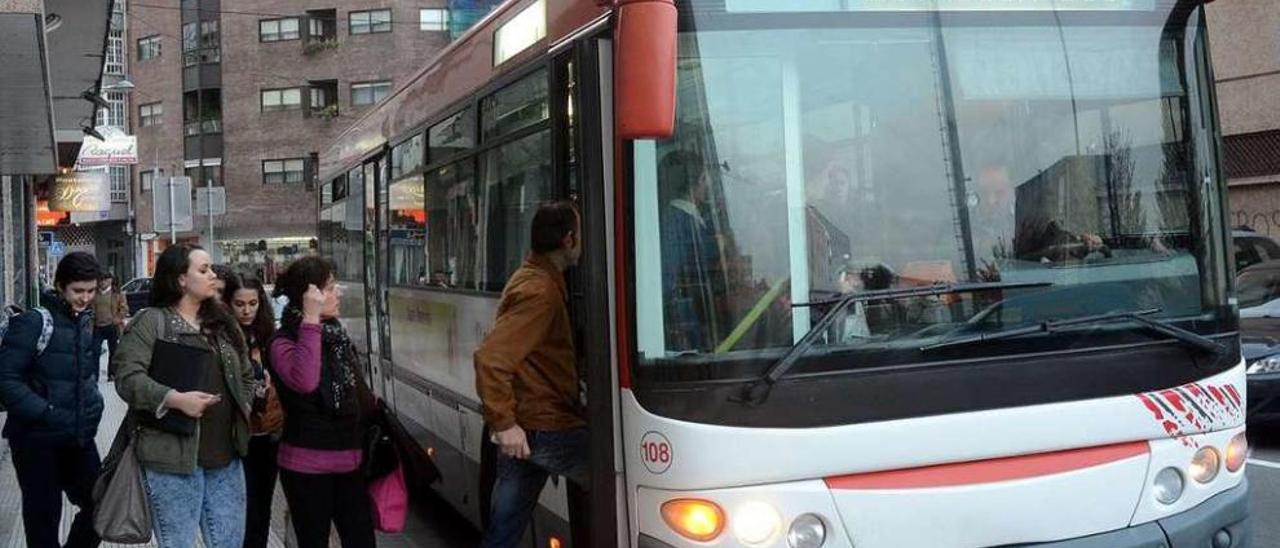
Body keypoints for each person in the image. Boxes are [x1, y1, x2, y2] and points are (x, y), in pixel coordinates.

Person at [112, 244, 256, 548]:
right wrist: (174, 399)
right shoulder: (152, 321)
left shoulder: (223, 322)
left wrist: (243, 405)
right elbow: (127, 378)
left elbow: (245, 372)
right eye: (203, 270)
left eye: (211, 268)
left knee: (229, 542)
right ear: (180, 279)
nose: (213, 275)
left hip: (225, 456)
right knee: (178, 543)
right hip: (171, 460)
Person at [475, 201, 588, 548]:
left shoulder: (532, 276)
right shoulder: (541, 291)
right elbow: (491, 358)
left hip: (530, 425)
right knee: (619, 466)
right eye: (581, 234)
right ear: (569, 240)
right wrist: (504, 423)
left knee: (505, 529)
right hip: (545, 427)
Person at [268, 256, 375, 548]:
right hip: (307, 467)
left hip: (350, 462)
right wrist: (311, 320)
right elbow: (305, 382)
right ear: (309, 295)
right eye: (329, 287)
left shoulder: (336, 335)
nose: (337, 292)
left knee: (362, 540)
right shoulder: (283, 341)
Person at [0, 252, 105, 548]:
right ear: (60, 286)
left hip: (78, 435)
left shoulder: (84, 321)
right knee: (44, 519)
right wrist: (46, 412)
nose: (85, 298)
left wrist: (95, 405)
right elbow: (6, 380)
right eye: (78, 291)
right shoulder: (34, 322)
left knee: (100, 504)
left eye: (90, 291)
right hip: (36, 440)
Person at [222, 273, 283, 548]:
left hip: (268, 433)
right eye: (239, 304)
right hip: (236, 436)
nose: (247, 310)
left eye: (253, 303)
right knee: (240, 510)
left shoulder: (270, 337)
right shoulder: (222, 339)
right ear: (228, 304)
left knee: (262, 508)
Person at [658, 150, 724, 352]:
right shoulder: (675, 222)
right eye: (705, 178)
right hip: (688, 322)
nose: (708, 184)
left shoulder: (692, 217)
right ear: (692, 182)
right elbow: (672, 280)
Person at [93, 272, 129, 364]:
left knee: (113, 350)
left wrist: (117, 319)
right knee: (95, 351)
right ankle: (94, 375)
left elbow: (124, 309)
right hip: (98, 326)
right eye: (100, 280)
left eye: (105, 280)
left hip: (112, 325)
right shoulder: (94, 294)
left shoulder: (117, 293)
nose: (102, 282)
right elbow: (90, 309)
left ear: (110, 280)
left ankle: (111, 373)